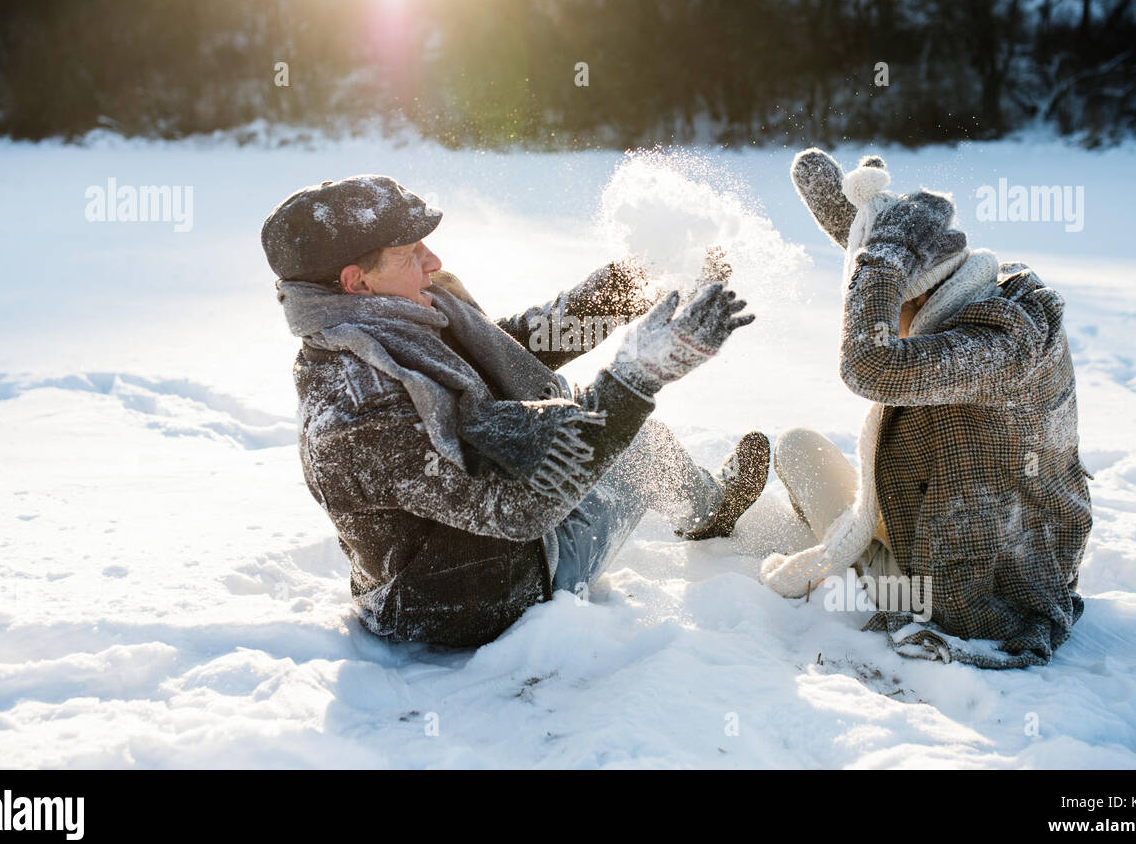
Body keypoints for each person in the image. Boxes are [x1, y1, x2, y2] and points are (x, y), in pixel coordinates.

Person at [261, 175, 769, 648]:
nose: (433, 261)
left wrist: (632, 284)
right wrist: (636, 378)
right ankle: (710, 512)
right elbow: (517, 511)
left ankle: (692, 497)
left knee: (569, 405)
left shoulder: (394, 327)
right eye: (409, 253)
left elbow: (518, 348)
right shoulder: (357, 411)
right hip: (468, 602)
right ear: (357, 282)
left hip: (475, 562)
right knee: (641, 443)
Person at [760, 149, 1093, 669]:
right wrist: (867, 230)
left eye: (892, 304)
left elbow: (867, 364)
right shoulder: (997, 298)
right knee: (805, 444)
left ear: (912, 292)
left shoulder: (995, 347)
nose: (886, 321)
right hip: (1011, 541)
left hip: (971, 594)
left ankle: (869, 563)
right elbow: (921, 270)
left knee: (796, 449)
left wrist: (882, 257)